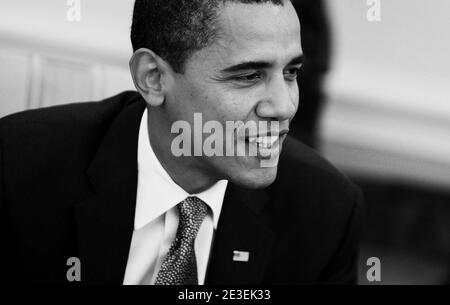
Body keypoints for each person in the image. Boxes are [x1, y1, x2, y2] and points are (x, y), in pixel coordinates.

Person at [0, 0, 363, 284]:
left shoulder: (324, 212)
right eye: (250, 76)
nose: (284, 106)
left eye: (291, 73)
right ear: (153, 79)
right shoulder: (18, 168)